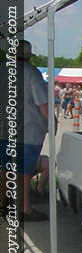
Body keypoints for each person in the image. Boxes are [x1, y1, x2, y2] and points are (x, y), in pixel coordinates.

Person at [0, 40, 54, 221]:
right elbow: (43, 105)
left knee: (5, 168)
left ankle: (4, 205)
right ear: (28, 55)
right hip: (27, 132)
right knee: (23, 171)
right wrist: (52, 123)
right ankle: (24, 209)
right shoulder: (31, 73)